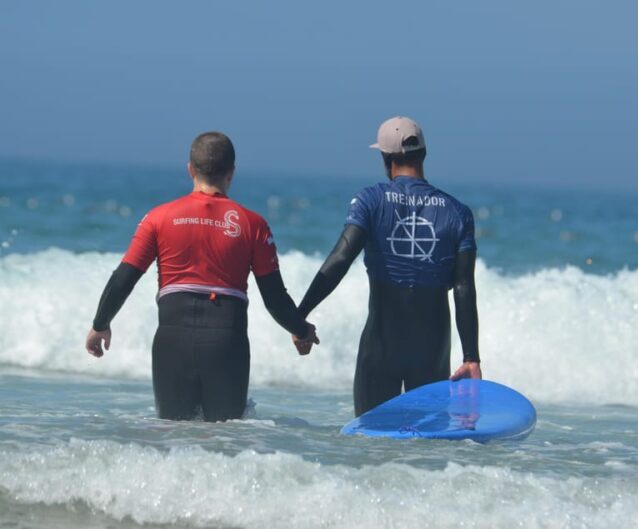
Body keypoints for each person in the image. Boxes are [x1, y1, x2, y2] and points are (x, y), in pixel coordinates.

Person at [85, 132, 318, 422]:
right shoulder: (253, 224)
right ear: (231, 172)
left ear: (190, 170)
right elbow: (274, 298)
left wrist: (100, 324)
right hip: (226, 342)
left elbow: (123, 278)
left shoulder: (157, 218)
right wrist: (301, 329)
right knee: (226, 439)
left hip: (172, 341)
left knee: (172, 437)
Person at [297, 116, 481, 416]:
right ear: (424, 154)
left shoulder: (370, 201)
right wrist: (471, 357)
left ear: (386, 158)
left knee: (370, 438)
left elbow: (341, 259)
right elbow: (464, 286)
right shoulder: (458, 212)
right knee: (427, 441)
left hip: (380, 347)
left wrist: (299, 316)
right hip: (432, 350)